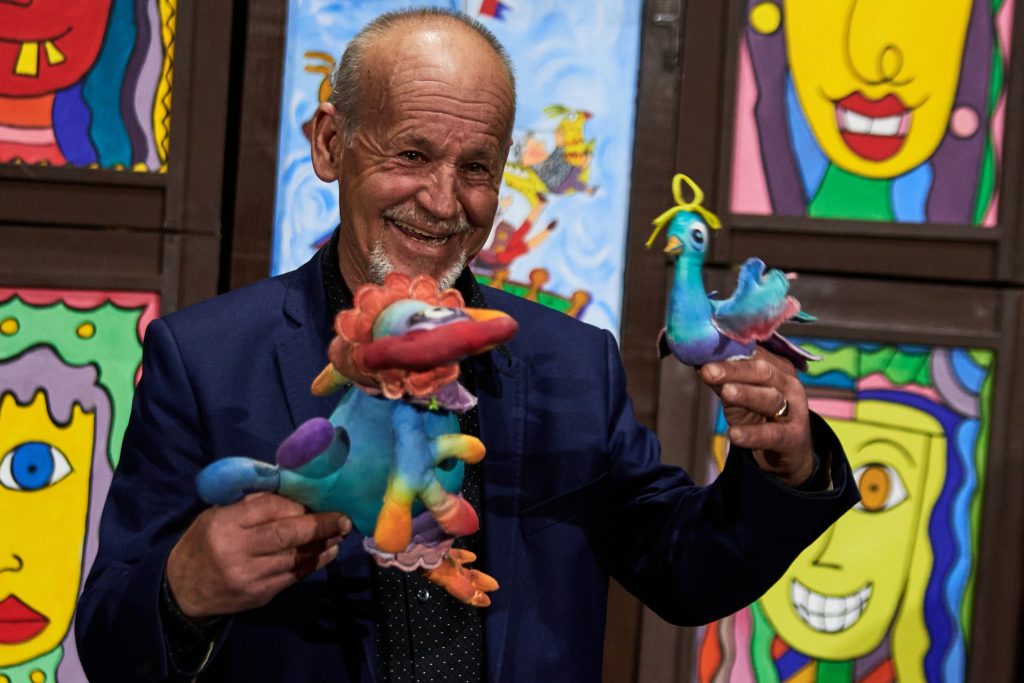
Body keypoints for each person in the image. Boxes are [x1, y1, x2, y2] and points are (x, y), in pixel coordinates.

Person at [76, 8, 858, 682]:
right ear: (330, 143)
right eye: (412, 155)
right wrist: (184, 588)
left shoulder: (573, 365)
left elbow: (686, 570)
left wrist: (786, 466)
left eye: (476, 167)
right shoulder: (204, 359)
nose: (444, 200)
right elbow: (111, 641)